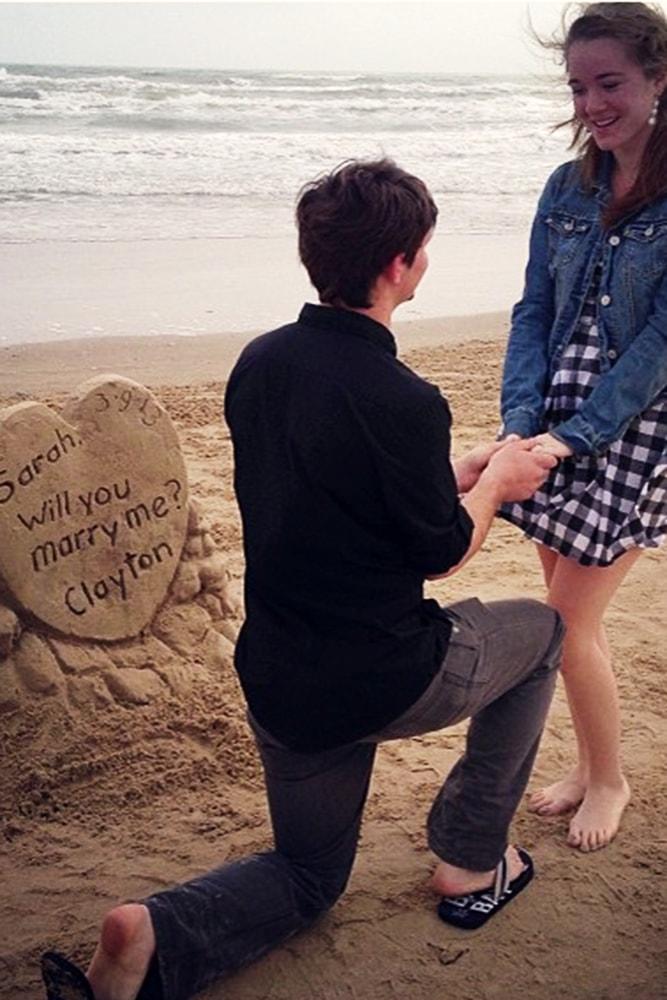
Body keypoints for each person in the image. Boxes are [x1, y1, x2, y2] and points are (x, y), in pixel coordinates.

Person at [42, 159, 562, 1000]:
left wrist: (450, 471)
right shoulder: (403, 397)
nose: (423, 261)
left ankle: (153, 931)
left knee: (309, 875)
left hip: (281, 677)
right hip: (385, 674)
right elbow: (439, 552)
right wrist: (496, 484)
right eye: (422, 248)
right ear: (398, 264)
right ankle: (469, 860)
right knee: (542, 636)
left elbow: (332, 486)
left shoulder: (261, 363)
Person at [499, 2, 667, 853]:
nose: (592, 104)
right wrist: (519, 425)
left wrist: (576, 437)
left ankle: (609, 779)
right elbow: (532, 312)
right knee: (572, 625)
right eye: (579, 86)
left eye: (609, 84)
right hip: (557, 419)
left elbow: (659, 345)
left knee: (564, 623)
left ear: (656, 80)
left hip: (638, 433)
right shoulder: (567, 188)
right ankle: (587, 765)